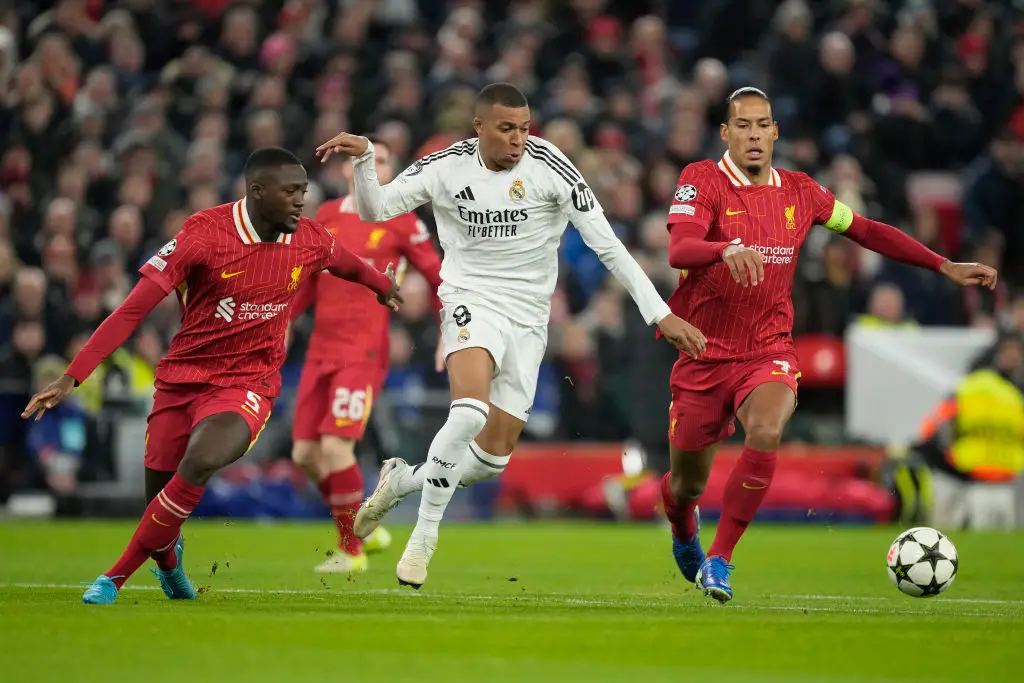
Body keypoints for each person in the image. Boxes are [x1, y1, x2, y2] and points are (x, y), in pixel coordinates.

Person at [316, 82, 707, 588]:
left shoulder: (552, 166)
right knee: (468, 412)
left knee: (489, 460)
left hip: (528, 319)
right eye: (506, 128)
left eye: (524, 127)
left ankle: (399, 482)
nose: (519, 138)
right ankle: (423, 539)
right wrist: (367, 158)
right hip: (469, 300)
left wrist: (660, 314)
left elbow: (609, 245)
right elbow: (374, 210)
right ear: (478, 127)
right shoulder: (445, 166)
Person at [660, 87, 998, 603]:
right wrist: (724, 248)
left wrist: (941, 264)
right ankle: (685, 528)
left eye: (763, 125)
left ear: (775, 132)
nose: (754, 135)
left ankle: (721, 561)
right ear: (725, 133)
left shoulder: (802, 192)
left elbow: (866, 230)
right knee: (685, 486)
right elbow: (679, 247)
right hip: (704, 352)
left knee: (767, 430)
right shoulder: (701, 179)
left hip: (767, 350)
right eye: (743, 126)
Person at [22, 147, 402, 605]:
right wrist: (72, 377)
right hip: (181, 381)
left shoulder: (308, 237)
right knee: (160, 516)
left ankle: (112, 578)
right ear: (257, 192)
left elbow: (348, 262)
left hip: (249, 384)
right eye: (292, 192)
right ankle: (168, 564)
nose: (302, 201)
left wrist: (383, 286)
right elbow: (132, 310)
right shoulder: (204, 235)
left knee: (200, 462)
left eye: (304, 191)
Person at [290, 137, 443, 574]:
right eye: (366, 161)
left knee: (337, 447)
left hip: (362, 350)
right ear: (346, 170)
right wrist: (283, 323)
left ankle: (351, 550)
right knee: (304, 455)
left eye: (381, 162)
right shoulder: (324, 217)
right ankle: (366, 526)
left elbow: (436, 275)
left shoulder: (401, 221)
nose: (373, 168)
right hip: (320, 349)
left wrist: (449, 331)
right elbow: (305, 281)